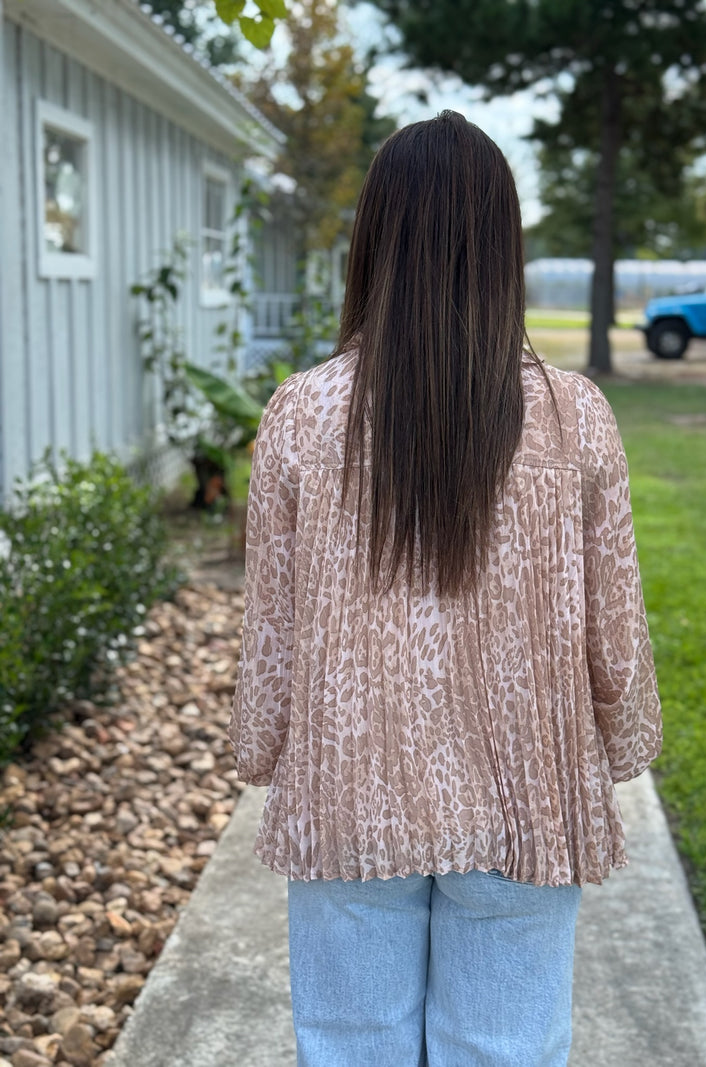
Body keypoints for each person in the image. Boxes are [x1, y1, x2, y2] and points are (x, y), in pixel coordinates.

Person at [229, 111, 661, 1067]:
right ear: (501, 247)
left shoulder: (302, 414)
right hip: (524, 786)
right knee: (506, 1050)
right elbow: (615, 621)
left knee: (351, 1047)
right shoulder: (572, 412)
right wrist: (623, 737)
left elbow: (273, 625)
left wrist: (263, 745)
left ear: (374, 240)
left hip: (350, 785)